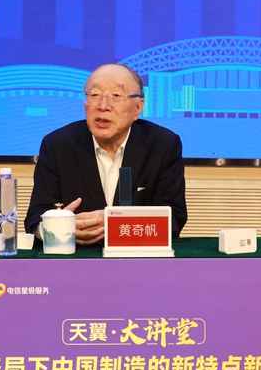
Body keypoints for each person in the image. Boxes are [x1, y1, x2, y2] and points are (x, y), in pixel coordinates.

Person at [25, 63, 187, 245]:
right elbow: (35, 217)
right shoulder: (57, 145)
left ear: (138, 108)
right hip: (78, 258)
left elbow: (174, 218)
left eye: (116, 96)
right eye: (94, 95)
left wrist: (115, 224)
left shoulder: (163, 145)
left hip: (137, 257)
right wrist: (58, 229)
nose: (103, 106)